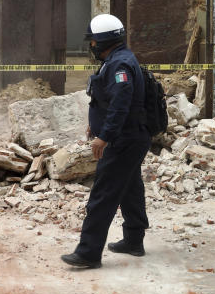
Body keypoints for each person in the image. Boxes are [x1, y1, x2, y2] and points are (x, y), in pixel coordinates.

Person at [61, 14, 151, 269]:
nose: (90, 47)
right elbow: (109, 101)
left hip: (124, 140)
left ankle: (88, 253)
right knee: (130, 188)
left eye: (92, 42)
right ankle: (134, 241)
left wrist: (104, 137)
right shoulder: (116, 59)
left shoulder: (119, 65)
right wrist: (96, 122)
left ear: (102, 41)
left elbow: (121, 105)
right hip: (131, 137)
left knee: (103, 195)